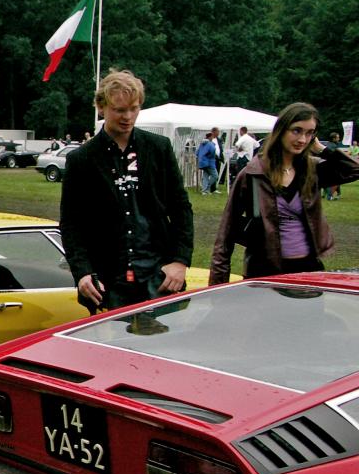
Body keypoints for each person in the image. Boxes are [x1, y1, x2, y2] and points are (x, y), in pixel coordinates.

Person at [59, 69, 193, 312]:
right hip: (108, 283)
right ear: (101, 107)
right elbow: (71, 224)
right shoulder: (82, 159)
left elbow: (181, 208)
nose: (128, 116)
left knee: (161, 347)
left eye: (134, 109)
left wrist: (180, 261)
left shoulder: (157, 148)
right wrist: (82, 273)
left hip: (159, 275)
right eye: (120, 110)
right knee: (112, 349)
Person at [209, 103, 359, 284]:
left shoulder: (312, 169)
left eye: (310, 132)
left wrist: (323, 149)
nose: (303, 139)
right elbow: (226, 231)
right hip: (264, 271)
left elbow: (354, 170)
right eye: (296, 131)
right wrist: (218, 283)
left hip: (308, 270)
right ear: (281, 130)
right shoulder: (254, 173)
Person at [196, 129, 219, 194]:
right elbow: (213, 152)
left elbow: (197, 152)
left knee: (206, 176)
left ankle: (204, 191)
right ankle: (207, 187)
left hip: (202, 163)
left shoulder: (201, 144)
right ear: (210, 137)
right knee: (215, 176)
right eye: (212, 136)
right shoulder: (210, 144)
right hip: (209, 162)